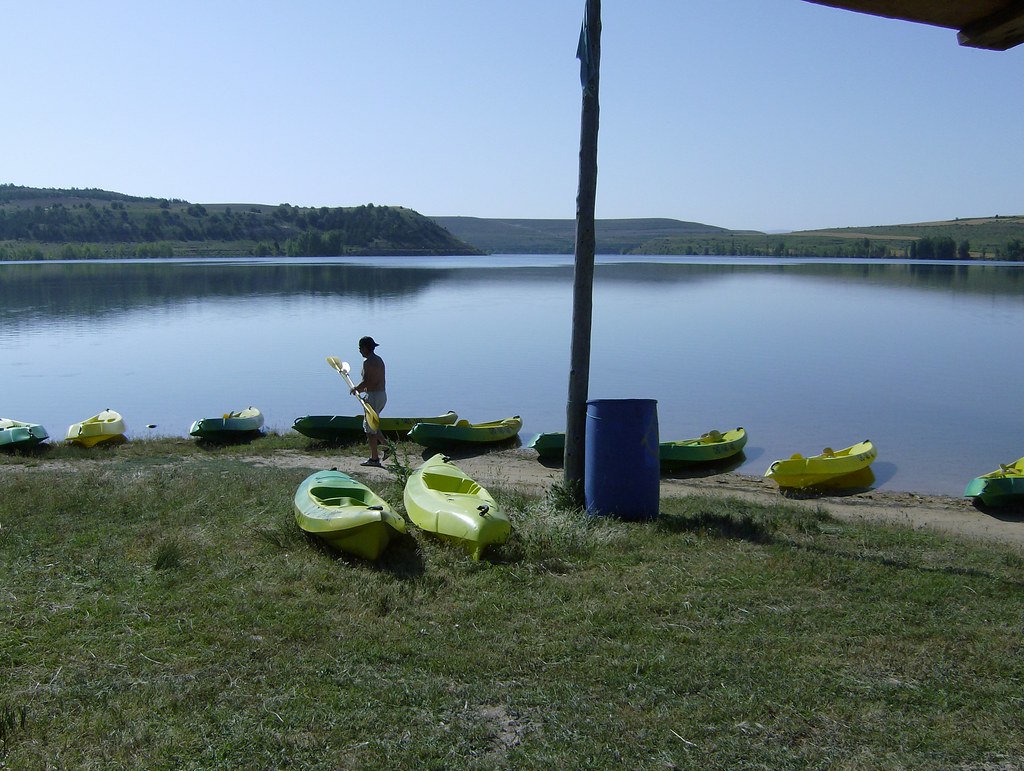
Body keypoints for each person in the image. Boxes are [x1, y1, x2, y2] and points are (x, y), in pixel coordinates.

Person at [349, 336, 387, 466]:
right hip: (382, 395)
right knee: (373, 425)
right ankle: (387, 447)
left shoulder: (367, 362)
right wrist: (362, 390)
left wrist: (356, 388)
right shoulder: (379, 360)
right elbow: (373, 382)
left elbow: (367, 382)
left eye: (360, 348)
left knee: (369, 430)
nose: (359, 351)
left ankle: (374, 459)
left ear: (365, 348)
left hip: (373, 397)